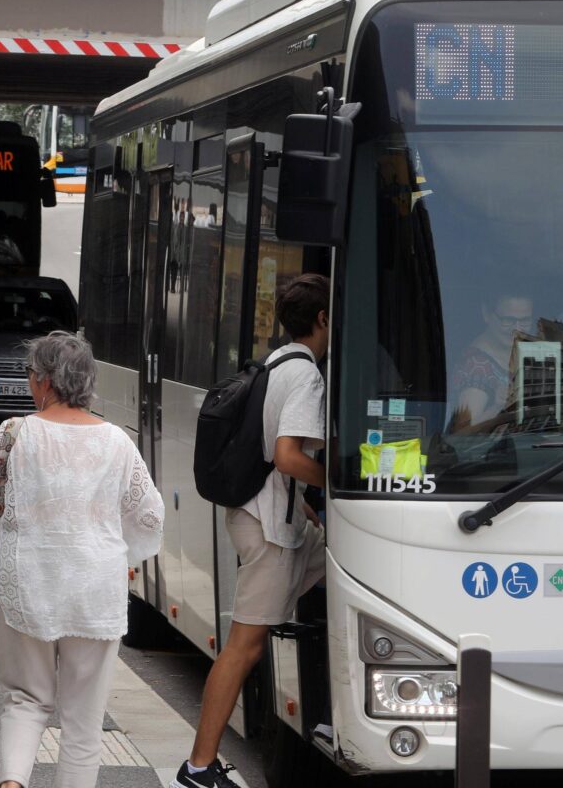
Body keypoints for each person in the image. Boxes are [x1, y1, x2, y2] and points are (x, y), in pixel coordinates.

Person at [0, 331, 164, 788]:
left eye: (30, 374)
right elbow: (149, 515)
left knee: (27, 699)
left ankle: (11, 784)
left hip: (27, 584)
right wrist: (110, 544)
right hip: (95, 592)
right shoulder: (117, 441)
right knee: (83, 723)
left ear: (43, 380)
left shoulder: (14, 433)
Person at [173, 273, 330, 788]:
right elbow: (286, 456)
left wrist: (303, 505)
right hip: (269, 532)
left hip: (271, 519)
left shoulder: (277, 361)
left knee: (344, 569)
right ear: (323, 319)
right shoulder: (305, 375)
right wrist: (337, 483)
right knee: (244, 647)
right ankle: (197, 769)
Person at [448, 290, 536, 431]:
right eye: (508, 320)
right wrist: (498, 407)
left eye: (525, 321)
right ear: (486, 314)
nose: (517, 329)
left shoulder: (521, 350)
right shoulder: (476, 366)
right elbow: (462, 432)